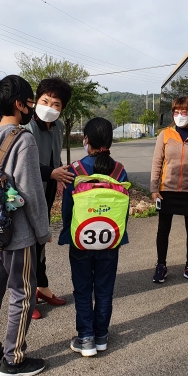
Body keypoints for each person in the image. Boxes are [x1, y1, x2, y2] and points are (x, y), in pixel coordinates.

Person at [0, 75, 51, 376]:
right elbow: (31, 193)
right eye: (31, 101)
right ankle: (13, 360)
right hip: (17, 236)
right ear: (20, 104)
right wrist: (42, 232)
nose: (33, 106)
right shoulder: (24, 139)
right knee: (22, 294)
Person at [58, 117, 129, 357]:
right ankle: (101, 336)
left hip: (81, 240)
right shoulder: (119, 170)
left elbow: (67, 207)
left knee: (82, 288)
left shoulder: (75, 170)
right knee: (104, 288)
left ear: (86, 140)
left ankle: (85, 337)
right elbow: (124, 210)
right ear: (109, 141)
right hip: (110, 239)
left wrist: (67, 232)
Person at [150, 95, 188, 284]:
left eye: (183, 112)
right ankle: (161, 266)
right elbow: (157, 162)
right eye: (176, 112)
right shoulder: (165, 134)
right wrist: (154, 188)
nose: (179, 115)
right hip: (166, 189)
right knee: (163, 229)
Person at [25, 77, 74, 319]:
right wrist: (52, 173)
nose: (49, 107)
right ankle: (27, 295)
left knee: (41, 239)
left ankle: (41, 288)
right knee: (28, 243)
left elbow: (56, 160)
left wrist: (60, 179)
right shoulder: (26, 127)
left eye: (56, 104)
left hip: (46, 189)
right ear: (36, 101)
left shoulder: (58, 126)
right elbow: (24, 164)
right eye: (45, 101)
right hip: (26, 191)